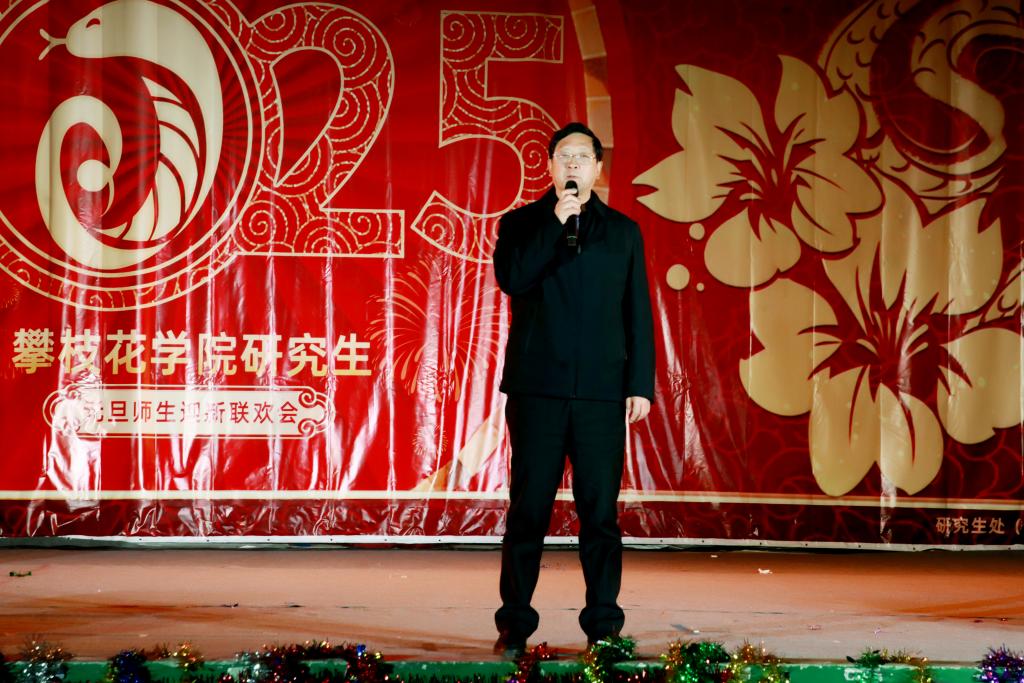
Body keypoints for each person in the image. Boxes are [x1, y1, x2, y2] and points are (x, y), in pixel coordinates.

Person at [491, 122, 655, 656]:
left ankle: (604, 625)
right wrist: (555, 223)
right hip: (537, 390)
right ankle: (515, 623)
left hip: (602, 395)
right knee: (528, 511)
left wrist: (639, 384)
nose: (573, 166)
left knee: (600, 514)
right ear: (549, 165)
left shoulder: (624, 233)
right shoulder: (521, 224)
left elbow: (637, 312)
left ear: (598, 168)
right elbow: (513, 279)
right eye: (564, 157)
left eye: (583, 157)